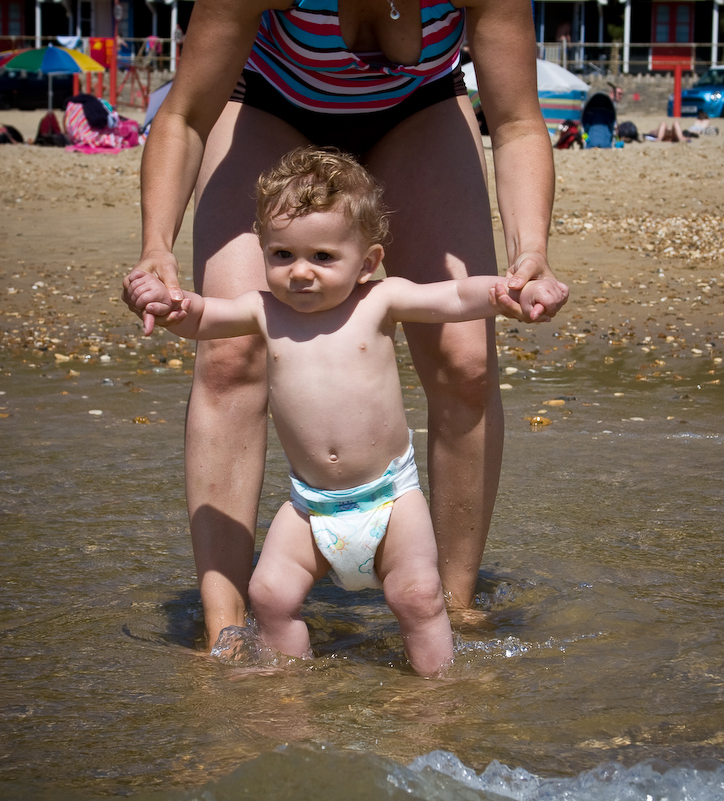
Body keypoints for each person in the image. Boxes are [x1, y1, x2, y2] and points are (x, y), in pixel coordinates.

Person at [121, 0, 569, 653]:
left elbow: (517, 121)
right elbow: (185, 114)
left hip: (419, 111)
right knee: (229, 355)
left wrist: (530, 249)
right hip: (267, 106)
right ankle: (225, 629)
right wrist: (155, 244)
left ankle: (450, 610)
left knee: (464, 360)